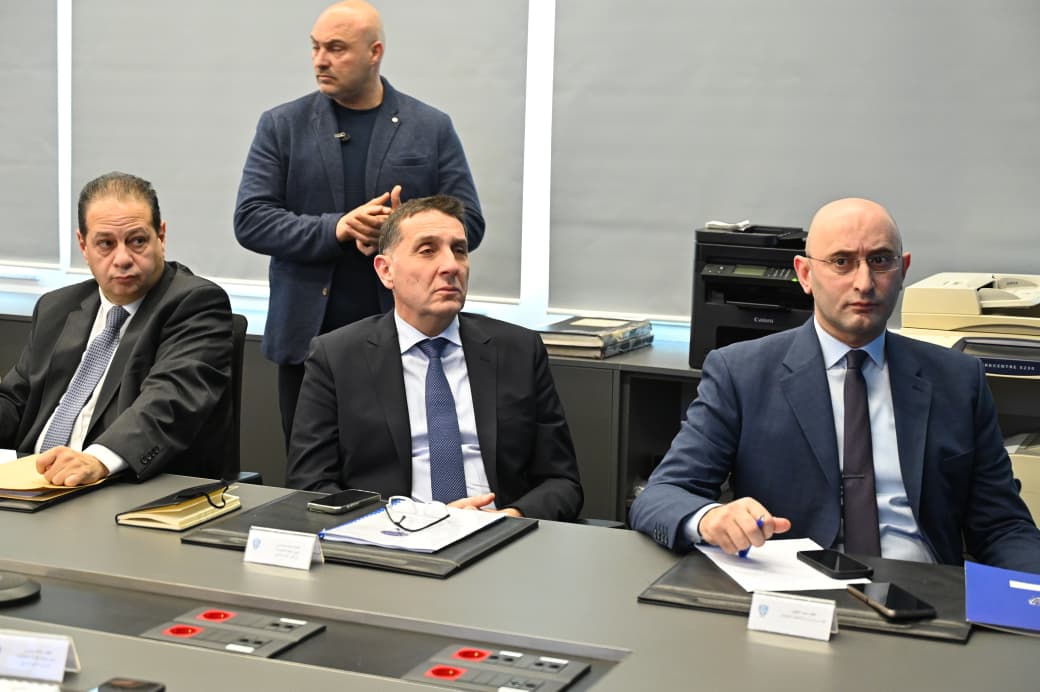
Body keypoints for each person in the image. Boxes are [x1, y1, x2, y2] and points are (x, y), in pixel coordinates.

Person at [630, 197, 1040, 573]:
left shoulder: (958, 380)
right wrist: (711, 517)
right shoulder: (740, 374)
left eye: (880, 260)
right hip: (792, 591)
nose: (864, 282)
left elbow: (1003, 526)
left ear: (903, 270)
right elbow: (663, 494)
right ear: (805, 274)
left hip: (925, 592)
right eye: (842, 262)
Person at [233, 0, 485, 447]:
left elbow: (471, 223)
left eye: (336, 48)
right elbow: (251, 220)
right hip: (307, 342)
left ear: (375, 52)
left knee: (401, 465)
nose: (320, 60)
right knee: (311, 472)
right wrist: (338, 229)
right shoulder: (282, 125)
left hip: (405, 340)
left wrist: (402, 231)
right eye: (315, 47)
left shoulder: (429, 127)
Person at [286, 195, 581, 521]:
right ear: (386, 271)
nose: (451, 266)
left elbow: (562, 482)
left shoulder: (518, 350)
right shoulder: (337, 357)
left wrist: (510, 517)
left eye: (459, 250)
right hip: (393, 538)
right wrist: (414, 520)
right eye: (428, 251)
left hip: (501, 532)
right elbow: (311, 485)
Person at [0, 172, 234, 486]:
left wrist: (98, 460)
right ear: (83, 245)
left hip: (126, 488)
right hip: (32, 484)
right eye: (106, 244)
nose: (122, 258)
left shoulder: (196, 304)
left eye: (137, 241)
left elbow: (169, 402)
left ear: (161, 237)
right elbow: (15, 401)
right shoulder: (57, 307)